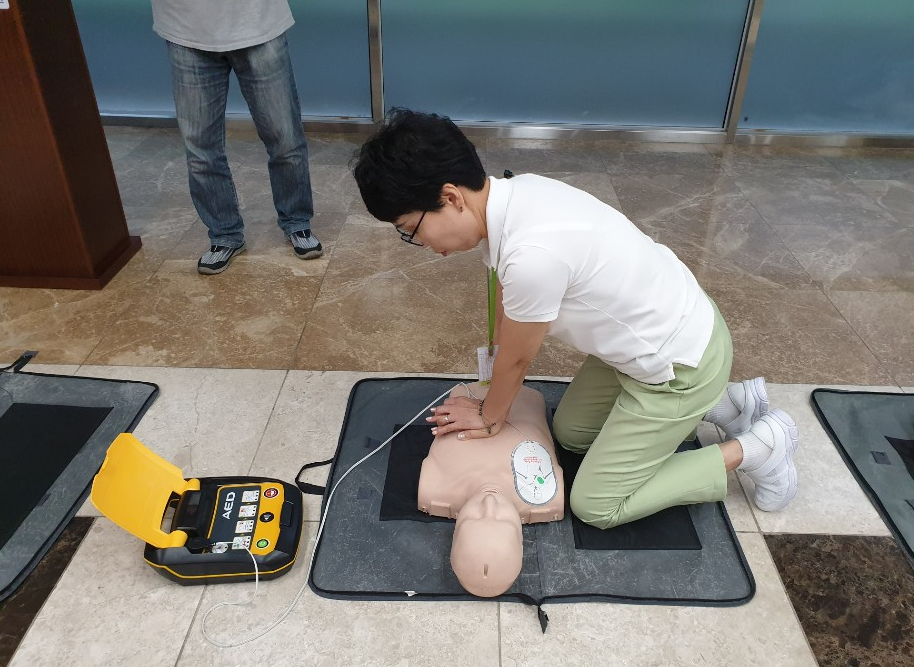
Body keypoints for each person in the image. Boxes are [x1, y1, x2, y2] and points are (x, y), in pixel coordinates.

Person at [353, 109, 800, 531]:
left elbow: (518, 359)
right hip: (669, 329)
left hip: (680, 367)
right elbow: (509, 305)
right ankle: (725, 404)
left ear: (451, 197)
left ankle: (758, 448)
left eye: (410, 230)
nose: (421, 244)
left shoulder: (533, 254)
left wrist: (489, 417)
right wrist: (492, 389)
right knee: (570, 435)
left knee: (596, 505)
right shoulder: (518, 193)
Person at [151, 0, 322, 275]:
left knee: (285, 138)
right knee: (200, 150)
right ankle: (224, 234)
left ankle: (297, 221)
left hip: (258, 22)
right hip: (185, 27)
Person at [418, 382, 565, 597]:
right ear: (521, 541)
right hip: (526, 399)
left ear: (455, 533)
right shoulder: (548, 495)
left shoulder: (433, 487)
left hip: (468, 395)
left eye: (474, 518)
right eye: (502, 520)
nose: (489, 503)